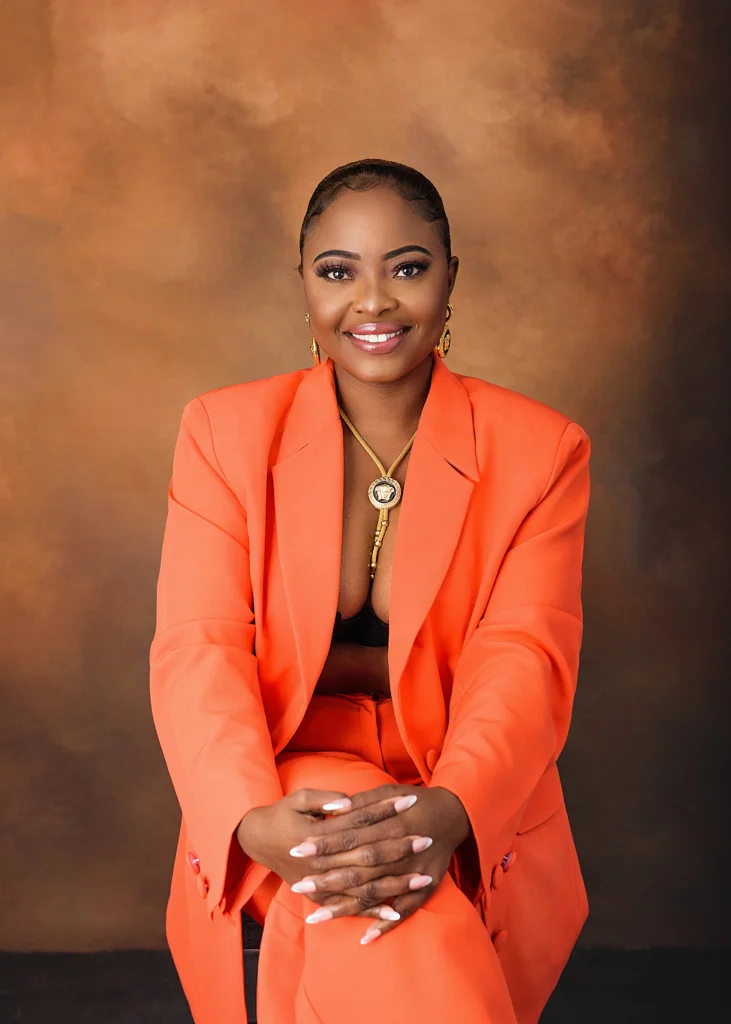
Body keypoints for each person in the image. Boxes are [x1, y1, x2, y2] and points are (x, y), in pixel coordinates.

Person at [149, 158, 591, 1024]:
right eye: (338, 271)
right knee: (392, 921)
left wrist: (455, 808)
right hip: (291, 773)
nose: (374, 303)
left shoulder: (542, 448)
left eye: (408, 267)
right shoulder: (223, 432)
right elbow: (198, 646)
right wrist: (247, 819)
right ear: (304, 287)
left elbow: (524, 656)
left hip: (464, 773)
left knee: (358, 916)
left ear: (449, 278)